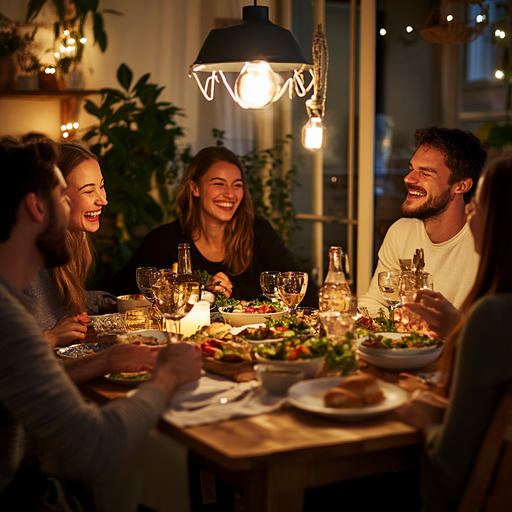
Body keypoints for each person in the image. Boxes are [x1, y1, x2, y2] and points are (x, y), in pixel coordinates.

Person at [0, 138, 202, 507]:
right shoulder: (7, 319)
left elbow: (29, 378)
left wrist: (104, 361)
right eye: (65, 195)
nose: (101, 202)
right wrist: (167, 378)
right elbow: (97, 447)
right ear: (36, 207)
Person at [395, 155, 512, 511]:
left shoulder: (494, 317)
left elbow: (445, 484)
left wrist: (428, 420)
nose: (471, 210)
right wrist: (459, 328)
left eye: (481, 203)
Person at [109, 146, 318, 306]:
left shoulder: (258, 231)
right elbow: (113, 295)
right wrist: (200, 294)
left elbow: (303, 293)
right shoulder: (164, 240)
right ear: (194, 188)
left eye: (237, 185)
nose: (230, 194)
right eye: (219, 184)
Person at [358, 126, 486, 317]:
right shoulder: (400, 232)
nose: (408, 178)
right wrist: (403, 322)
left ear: (461, 186)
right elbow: (371, 302)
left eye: (425, 173)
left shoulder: (485, 243)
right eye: (412, 169)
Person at [24, 142, 109, 347]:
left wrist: (107, 301)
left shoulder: (72, 240)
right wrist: (50, 337)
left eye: (101, 186)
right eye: (88, 191)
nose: (103, 200)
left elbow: (61, 304)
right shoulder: (26, 257)